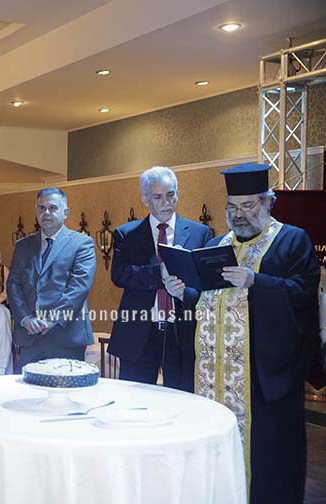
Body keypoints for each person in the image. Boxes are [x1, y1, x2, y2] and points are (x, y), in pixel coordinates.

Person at [178, 163, 320, 504]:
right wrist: (183, 292)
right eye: (232, 207)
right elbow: (208, 300)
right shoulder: (216, 245)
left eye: (247, 205)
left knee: (269, 460)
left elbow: (304, 292)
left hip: (265, 376)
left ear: (268, 202)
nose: (239, 214)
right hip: (215, 377)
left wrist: (257, 281)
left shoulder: (292, 240)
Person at [108, 167, 212, 391]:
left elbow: (206, 285)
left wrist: (184, 292)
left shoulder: (200, 233)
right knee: (134, 401)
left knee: (181, 400)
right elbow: (119, 274)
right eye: (158, 197)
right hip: (139, 334)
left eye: (170, 195)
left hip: (182, 332)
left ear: (177, 194)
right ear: (145, 199)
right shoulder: (127, 234)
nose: (166, 202)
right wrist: (159, 273)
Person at [7, 187, 96, 366]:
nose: (46, 212)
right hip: (30, 335)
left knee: (66, 383)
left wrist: (52, 320)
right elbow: (13, 285)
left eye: (53, 208)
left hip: (66, 335)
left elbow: (78, 287)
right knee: (30, 384)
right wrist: (25, 318)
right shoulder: (23, 246)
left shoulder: (81, 243)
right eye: (41, 208)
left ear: (66, 212)